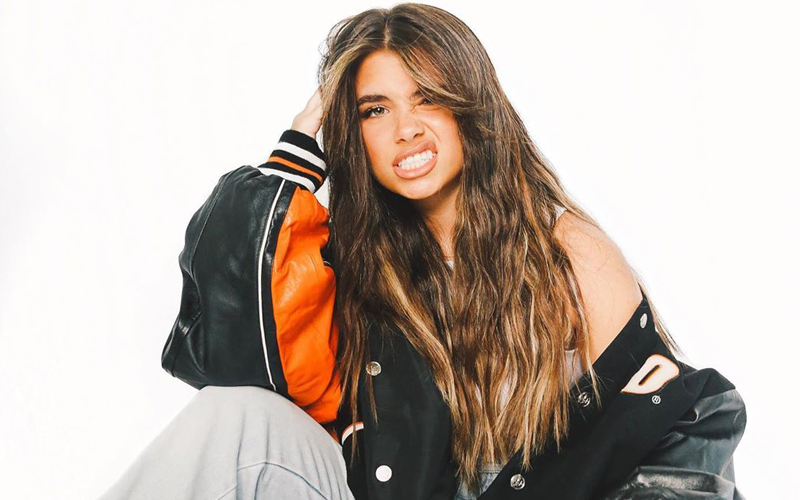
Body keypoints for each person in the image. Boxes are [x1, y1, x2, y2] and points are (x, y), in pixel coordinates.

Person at [100, 3, 746, 500]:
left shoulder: (567, 250)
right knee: (237, 413)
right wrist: (296, 149)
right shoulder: (351, 267)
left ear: (472, 106)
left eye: (428, 97)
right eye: (374, 110)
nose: (405, 129)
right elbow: (230, 358)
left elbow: (667, 428)